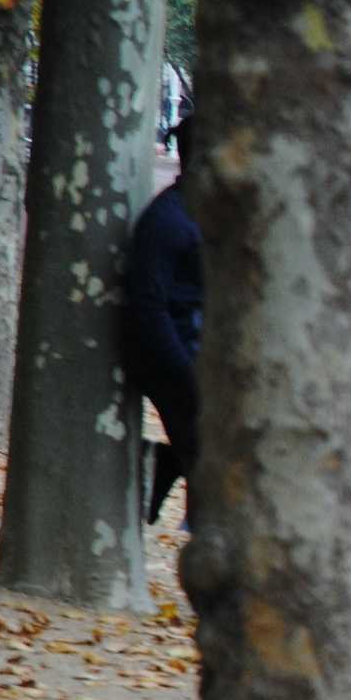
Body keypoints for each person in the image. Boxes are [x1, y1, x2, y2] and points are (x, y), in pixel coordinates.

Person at [123, 116, 203, 524]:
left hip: (198, 356)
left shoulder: (208, 215)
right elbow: (149, 308)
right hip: (169, 360)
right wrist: (186, 372)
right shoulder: (168, 222)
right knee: (210, 462)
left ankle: (168, 463)